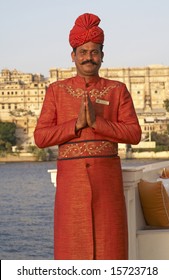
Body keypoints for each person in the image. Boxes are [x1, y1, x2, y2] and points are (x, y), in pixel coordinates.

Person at [34, 13, 142, 260]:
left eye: (94, 52)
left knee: (110, 246)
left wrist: (97, 123)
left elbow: (134, 133)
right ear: (73, 56)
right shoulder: (56, 91)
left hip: (107, 182)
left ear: (102, 56)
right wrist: (77, 124)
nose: (88, 58)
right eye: (83, 52)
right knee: (71, 249)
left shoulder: (117, 90)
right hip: (71, 184)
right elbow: (41, 137)